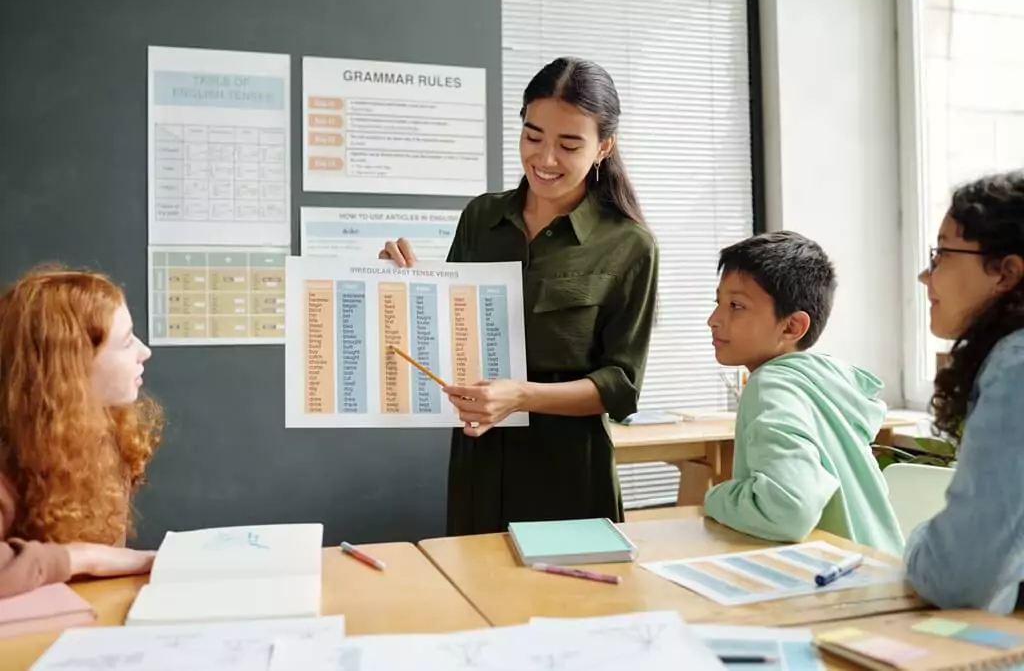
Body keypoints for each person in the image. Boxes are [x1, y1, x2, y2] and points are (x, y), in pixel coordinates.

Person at [380, 57, 658, 535]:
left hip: (567, 468)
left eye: (569, 144)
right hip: (479, 456)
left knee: (572, 603)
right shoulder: (481, 218)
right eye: (533, 137)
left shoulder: (630, 245)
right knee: (478, 602)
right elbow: (450, 337)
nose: (545, 159)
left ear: (603, 147)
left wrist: (521, 397)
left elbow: (621, 386)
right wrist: (405, 287)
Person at [703, 232, 904, 554]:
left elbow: (789, 509)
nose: (713, 320)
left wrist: (715, 496)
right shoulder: (825, 379)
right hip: (881, 566)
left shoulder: (772, 385)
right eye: (718, 303)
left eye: (736, 306)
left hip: (841, 584)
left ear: (791, 327)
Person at [0, 266, 162, 597]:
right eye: (127, 340)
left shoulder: (105, 429)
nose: (144, 352)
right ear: (72, 364)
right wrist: (82, 557)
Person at [905, 171, 1024, 612]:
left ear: (1006, 273)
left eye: (941, 254)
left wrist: (917, 540)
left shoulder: (1016, 366)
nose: (924, 274)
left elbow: (958, 577)